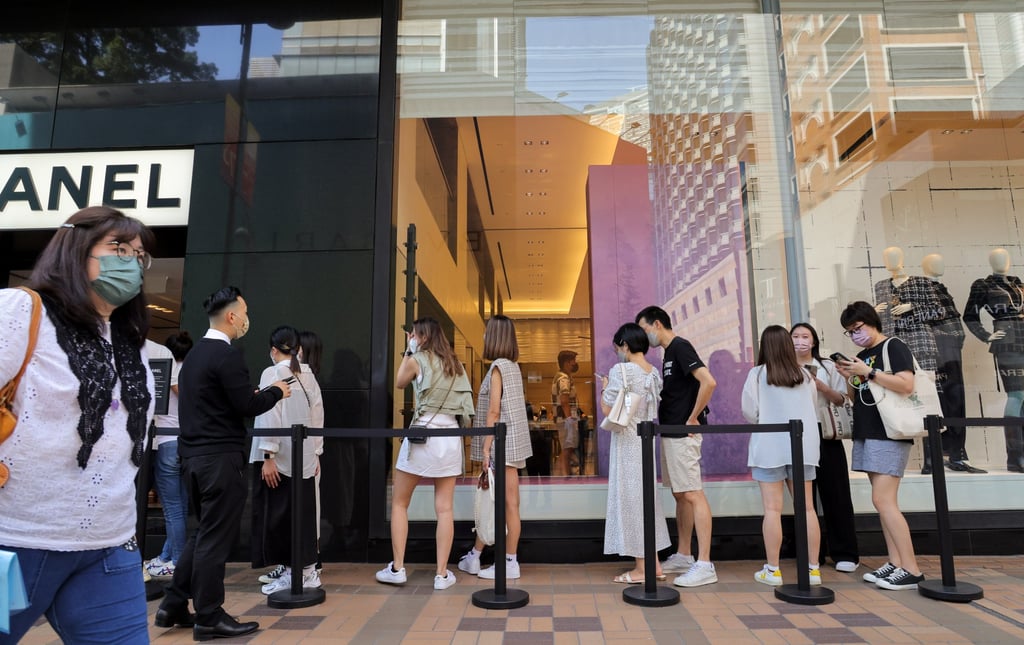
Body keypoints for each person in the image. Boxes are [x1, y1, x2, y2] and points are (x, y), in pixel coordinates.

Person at [0, 206, 156, 643]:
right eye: (118, 248)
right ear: (75, 250)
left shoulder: (131, 342)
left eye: (139, 255)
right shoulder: (20, 311)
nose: (130, 261)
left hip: (109, 546)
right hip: (15, 541)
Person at [155, 286, 292, 640]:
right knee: (214, 540)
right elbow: (247, 406)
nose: (247, 318)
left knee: (202, 534)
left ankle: (172, 603)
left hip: (193, 459)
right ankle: (209, 615)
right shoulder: (226, 355)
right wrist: (278, 390)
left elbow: (220, 403)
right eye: (244, 311)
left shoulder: (194, 357)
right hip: (220, 460)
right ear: (232, 316)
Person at [376, 317, 475, 590]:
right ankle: (442, 574)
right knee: (444, 509)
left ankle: (397, 567)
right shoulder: (455, 364)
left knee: (399, 503)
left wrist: (409, 350)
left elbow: (399, 382)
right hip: (450, 436)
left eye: (414, 335)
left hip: (423, 435)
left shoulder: (417, 359)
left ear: (420, 336)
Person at [835, 301, 926, 591]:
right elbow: (855, 396)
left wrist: (869, 372)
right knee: (883, 501)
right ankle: (895, 562)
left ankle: (911, 568)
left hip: (889, 432)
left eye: (857, 329)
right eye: (850, 332)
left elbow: (906, 384)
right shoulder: (863, 356)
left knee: (883, 501)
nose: (855, 335)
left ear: (872, 322)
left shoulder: (893, 347)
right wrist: (850, 375)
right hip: (868, 430)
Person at [635, 306, 718, 587]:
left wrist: (693, 417)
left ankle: (705, 563)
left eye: (646, 330)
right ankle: (684, 553)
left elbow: (708, 382)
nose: (646, 338)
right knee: (680, 493)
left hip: (683, 433)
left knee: (693, 493)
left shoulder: (681, 347)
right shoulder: (668, 354)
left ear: (657, 324)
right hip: (671, 433)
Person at [742, 325, 822, 587]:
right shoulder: (805, 376)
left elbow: (750, 412)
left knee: (772, 510)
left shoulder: (757, 374)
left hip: (769, 447)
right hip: (803, 448)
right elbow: (811, 408)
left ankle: (773, 570)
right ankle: (813, 569)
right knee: (807, 508)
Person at [250, 326, 324, 595]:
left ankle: (294, 572)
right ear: (299, 350)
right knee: (303, 514)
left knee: (279, 516)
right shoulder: (308, 375)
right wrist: (316, 451)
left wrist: (267, 455)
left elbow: (269, 415)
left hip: (279, 458)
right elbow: (317, 417)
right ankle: (307, 571)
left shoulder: (272, 373)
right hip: (305, 457)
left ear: (273, 350)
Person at [459, 315, 532, 579]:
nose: (483, 337)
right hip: (512, 444)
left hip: (501, 444)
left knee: (504, 504)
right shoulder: (512, 366)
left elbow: (493, 410)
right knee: (506, 504)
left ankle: (509, 563)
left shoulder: (498, 368)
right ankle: (477, 556)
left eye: (487, 333)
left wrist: (486, 450)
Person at [600, 323, 671, 584]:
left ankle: (642, 569)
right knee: (647, 503)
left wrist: (604, 387)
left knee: (631, 504)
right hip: (646, 444)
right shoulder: (653, 374)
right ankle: (654, 564)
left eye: (618, 347)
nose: (617, 351)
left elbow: (608, 410)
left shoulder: (620, 371)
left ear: (626, 346)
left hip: (627, 443)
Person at [791, 323, 860, 573]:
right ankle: (812, 554)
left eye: (805, 336)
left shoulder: (827, 366)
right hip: (797, 433)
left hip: (826, 432)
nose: (800, 341)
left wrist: (821, 386)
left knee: (836, 493)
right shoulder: (782, 367)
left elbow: (842, 399)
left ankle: (845, 552)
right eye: (796, 336)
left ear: (814, 340)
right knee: (805, 497)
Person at [873, 246, 943, 474]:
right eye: (886, 257)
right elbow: (879, 324)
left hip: (920, 343)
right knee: (898, 399)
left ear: (902, 258)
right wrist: (876, 312)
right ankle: (900, 461)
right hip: (894, 347)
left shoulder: (922, 282)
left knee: (926, 399)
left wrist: (912, 308)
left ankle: (933, 459)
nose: (890, 260)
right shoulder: (881, 286)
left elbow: (938, 312)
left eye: (894, 256)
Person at [922, 254, 984, 473]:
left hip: (952, 350)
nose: (941, 265)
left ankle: (956, 454)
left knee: (955, 399)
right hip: (935, 350)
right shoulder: (921, 289)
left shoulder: (941, 288)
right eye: (934, 262)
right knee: (934, 402)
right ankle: (933, 456)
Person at [963, 248, 1024, 473]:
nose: (1003, 261)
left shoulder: (1019, 283)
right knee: (1017, 395)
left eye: (1006, 257)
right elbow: (969, 315)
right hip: (1007, 342)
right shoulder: (983, 285)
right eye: (998, 258)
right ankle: (1015, 457)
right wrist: (986, 335)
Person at [145, 331, 195, 580]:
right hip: (186, 443)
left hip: (166, 442)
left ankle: (177, 561)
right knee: (180, 507)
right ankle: (167, 556)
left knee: (172, 509)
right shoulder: (192, 373)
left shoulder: (165, 370)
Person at [551, 349, 580, 475]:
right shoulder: (564, 379)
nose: (575, 363)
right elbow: (564, 400)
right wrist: (570, 420)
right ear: (567, 363)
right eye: (573, 360)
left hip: (563, 418)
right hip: (566, 419)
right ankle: (564, 475)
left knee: (567, 448)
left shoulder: (560, 377)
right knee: (567, 448)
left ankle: (562, 474)